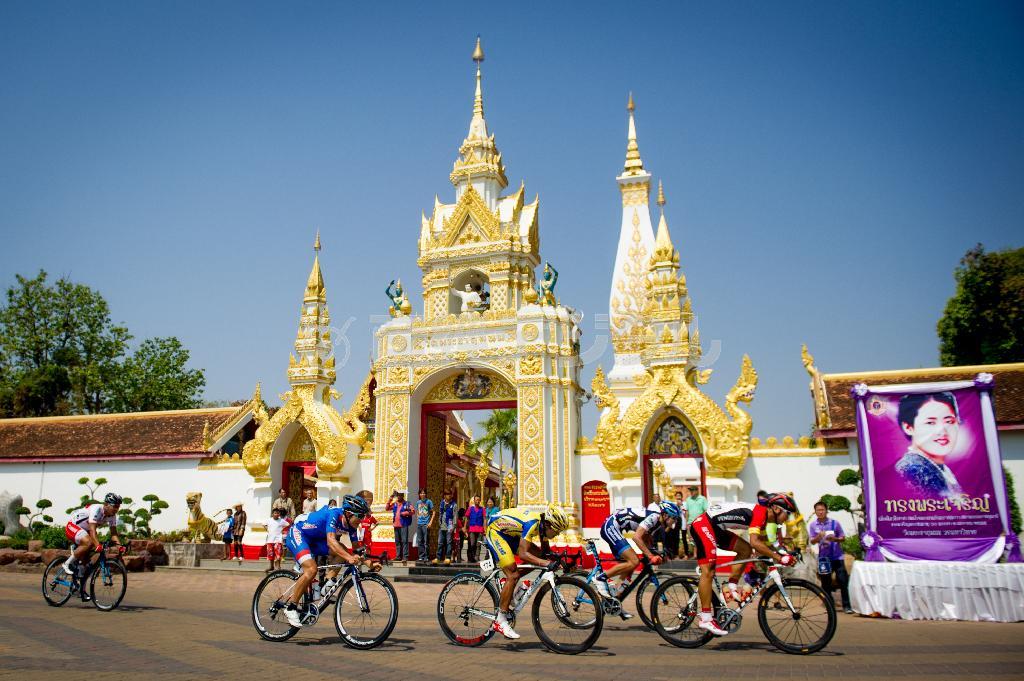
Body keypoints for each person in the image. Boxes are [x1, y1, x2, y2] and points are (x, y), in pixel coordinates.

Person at [690, 493, 798, 636]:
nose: (788, 518)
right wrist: (779, 558)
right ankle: (706, 618)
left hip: (715, 528)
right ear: (777, 509)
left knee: (745, 549)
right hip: (703, 524)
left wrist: (784, 554)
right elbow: (755, 543)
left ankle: (731, 587)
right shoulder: (760, 514)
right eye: (788, 514)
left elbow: (764, 544)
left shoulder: (765, 519)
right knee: (708, 571)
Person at [282, 494, 375, 628]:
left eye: (363, 516)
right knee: (311, 569)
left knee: (343, 550)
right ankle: (291, 607)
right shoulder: (334, 514)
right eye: (360, 516)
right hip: (299, 533)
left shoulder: (351, 525)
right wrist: (350, 558)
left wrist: (369, 563)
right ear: (349, 514)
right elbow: (331, 541)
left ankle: (327, 585)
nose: (361, 520)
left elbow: (356, 549)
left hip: (316, 540)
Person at [484, 504, 571, 639]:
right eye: (557, 530)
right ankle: (500, 621)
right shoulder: (532, 524)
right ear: (548, 525)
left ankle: (508, 586)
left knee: (538, 558)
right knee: (513, 574)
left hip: (509, 533)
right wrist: (546, 563)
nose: (558, 534)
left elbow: (545, 553)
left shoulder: (543, 527)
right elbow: (523, 554)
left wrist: (561, 560)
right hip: (496, 532)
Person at [597, 501, 681, 619]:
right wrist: (651, 556)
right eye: (674, 518)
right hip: (611, 526)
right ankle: (601, 578)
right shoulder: (654, 518)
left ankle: (615, 600)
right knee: (634, 561)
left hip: (616, 528)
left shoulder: (657, 523)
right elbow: (637, 537)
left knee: (632, 563)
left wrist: (656, 553)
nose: (675, 521)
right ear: (665, 515)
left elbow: (646, 539)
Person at [895, 392, 963, 498]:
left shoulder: (941, 467)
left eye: (949, 421)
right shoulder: (912, 470)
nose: (942, 430)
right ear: (909, 427)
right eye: (930, 423)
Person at [62, 492, 122, 599]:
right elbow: (92, 530)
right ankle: (67, 563)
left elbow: (114, 534)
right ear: (106, 504)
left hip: (84, 531)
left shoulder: (112, 516)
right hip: (73, 526)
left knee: (85, 565)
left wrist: (119, 546)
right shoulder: (97, 509)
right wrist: (97, 545)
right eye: (114, 506)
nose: (116, 509)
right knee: (89, 542)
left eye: (118, 507)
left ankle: (80, 590)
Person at [809, 501, 853, 614]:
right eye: (818, 510)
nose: (820, 512)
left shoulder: (834, 523)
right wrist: (818, 537)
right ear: (815, 512)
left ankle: (847, 606)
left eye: (822, 510)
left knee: (843, 581)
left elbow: (843, 537)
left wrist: (835, 539)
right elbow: (812, 541)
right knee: (825, 583)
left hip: (837, 557)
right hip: (823, 558)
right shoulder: (813, 525)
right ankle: (830, 606)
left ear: (826, 511)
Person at [386, 491, 412, 565]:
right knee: (397, 542)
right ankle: (398, 556)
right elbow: (387, 508)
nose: (399, 497)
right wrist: (390, 499)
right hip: (396, 525)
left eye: (400, 495)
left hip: (403, 525)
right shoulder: (395, 504)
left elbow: (412, 511)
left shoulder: (407, 503)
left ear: (403, 496)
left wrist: (405, 513)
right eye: (398, 496)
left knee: (404, 541)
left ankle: (405, 557)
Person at [683, 485, 708, 558]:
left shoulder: (702, 499)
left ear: (697, 491)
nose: (691, 492)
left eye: (692, 490)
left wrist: (704, 521)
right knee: (692, 539)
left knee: (700, 538)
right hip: (691, 522)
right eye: (690, 490)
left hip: (700, 522)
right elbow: (687, 512)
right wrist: (687, 523)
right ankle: (695, 554)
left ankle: (699, 554)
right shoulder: (688, 499)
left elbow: (706, 511)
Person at [435, 490, 457, 565]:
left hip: (450, 525)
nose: (449, 495)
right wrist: (439, 522)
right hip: (442, 525)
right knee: (440, 542)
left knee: (449, 542)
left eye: (450, 494)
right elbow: (440, 513)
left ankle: (448, 558)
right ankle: (438, 557)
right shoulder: (442, 503)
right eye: (447, 494)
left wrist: (453, 526)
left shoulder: (454, 504)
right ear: (444, 495)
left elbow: (455, 516)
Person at [414, 489, 435, 564]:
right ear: (419, 494)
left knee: (426, 541)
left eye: (424, 493)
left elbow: (434, 512)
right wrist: (417, 520)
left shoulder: (429, 502)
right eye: (421, 493)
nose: (422, 494)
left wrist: (430, 522)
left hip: (426, 524)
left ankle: (426, 556)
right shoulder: (418, 502)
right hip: (419, 524)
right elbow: (417, 512)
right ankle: (421, 556)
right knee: (420, 541)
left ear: (426, 494)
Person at [265, 507, 289, 572]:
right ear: (272, 514)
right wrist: (267, 529)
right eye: (275, 513)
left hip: (278, 540)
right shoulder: (269, 520)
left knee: (278, 553)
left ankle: (278, 566)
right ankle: (271, 567)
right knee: (270, 554)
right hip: (270, 540)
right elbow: (264, 524)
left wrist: (282, 530)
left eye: (278, 513)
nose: (276, 514)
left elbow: (288, 524)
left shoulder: (281, 520)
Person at [466, 495, 486, 562]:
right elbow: (467, 518)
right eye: (476, 500)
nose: (477, 501)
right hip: (472, 528)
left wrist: (485, 529)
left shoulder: (482, 509)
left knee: (478, 544)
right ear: (474, 501)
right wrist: (465, 527)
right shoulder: (470, 508)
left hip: (480, 529)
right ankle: (472, 556)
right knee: (472, 544)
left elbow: (484, 519)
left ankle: (477, 557)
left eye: (478, 500)